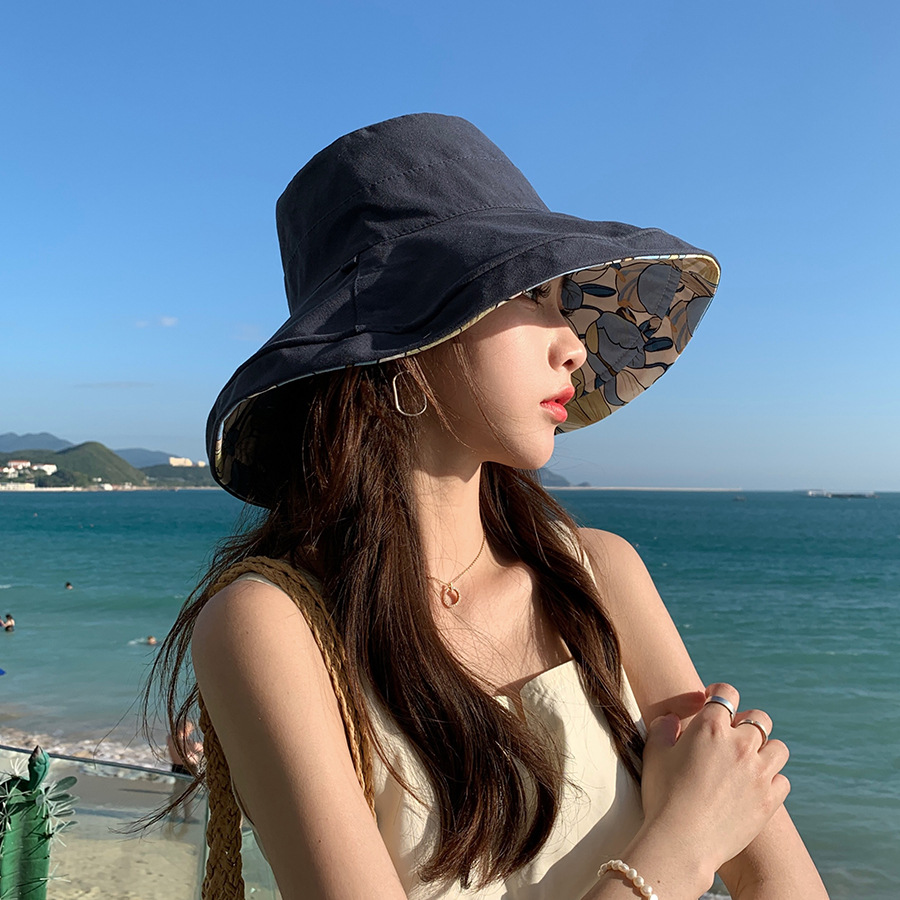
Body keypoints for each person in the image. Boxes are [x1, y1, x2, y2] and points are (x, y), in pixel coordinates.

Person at [150, 115, 829, 899]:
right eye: (533, 294)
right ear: (406, 331)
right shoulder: (273, 627)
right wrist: (683, 843)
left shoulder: (599, 575)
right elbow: (712, 831)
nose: (574, 343)